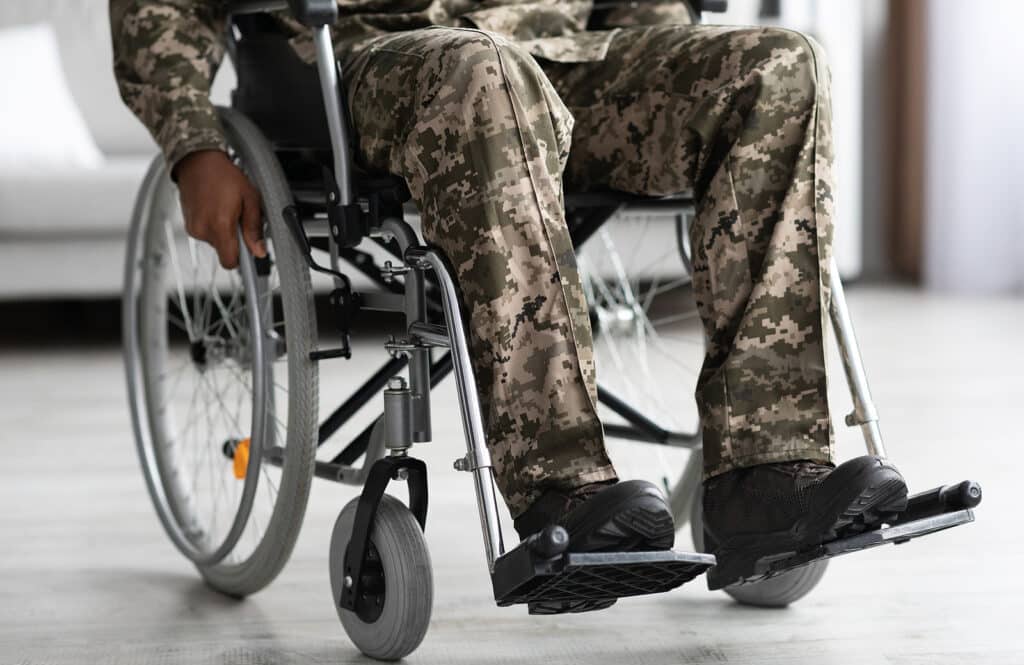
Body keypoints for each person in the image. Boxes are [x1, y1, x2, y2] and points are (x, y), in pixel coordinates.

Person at [110, 0, 908, 595]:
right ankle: (562, 485)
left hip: (562, 49)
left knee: (782, 60)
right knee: (482, 71)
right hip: (371, 63)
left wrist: (663, 38)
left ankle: (766, 477)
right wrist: (194, 141)